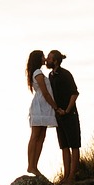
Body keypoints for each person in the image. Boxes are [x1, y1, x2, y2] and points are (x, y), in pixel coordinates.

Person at [46, 49, 80, 185]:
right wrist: (56, 110)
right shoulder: (51, 75)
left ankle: (72, 176)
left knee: (74, 145)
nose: (47, 60)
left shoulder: (65, 74)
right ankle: (65, 176)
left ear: (55, 60)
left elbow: (74, 93)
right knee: (64, 146)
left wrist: (67, 109)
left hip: (69, 114)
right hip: (58, 116)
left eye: (49, 58)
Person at [26, 49, 58, 177]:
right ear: (38, 59)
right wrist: (55, 107)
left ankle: (34, 165)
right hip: (40, 107)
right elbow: (45, 92)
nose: (45, 59)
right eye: (43, 56)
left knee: (41, 137)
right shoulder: (38, 73)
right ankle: (31, 165)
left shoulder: (39, 73)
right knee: (35, 136)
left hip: (44, 108)